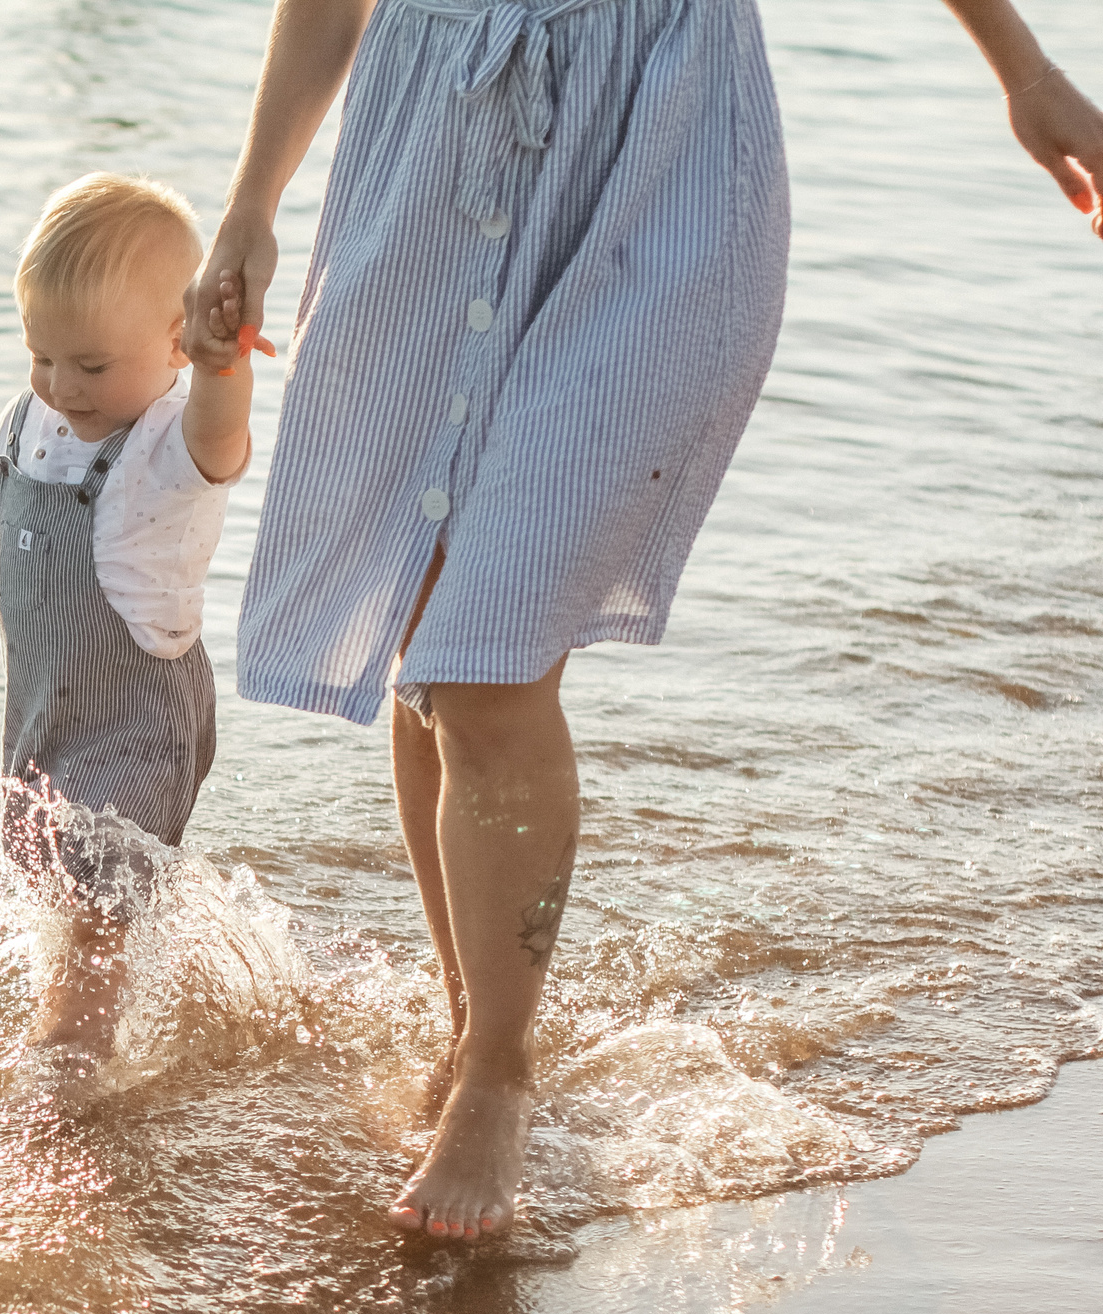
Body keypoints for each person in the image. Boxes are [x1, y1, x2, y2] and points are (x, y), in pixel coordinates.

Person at [184, 0, 1103, 1241]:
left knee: (488, 664)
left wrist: (1025, 69)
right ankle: (477, 1026)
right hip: (428, 139)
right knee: (433, 640)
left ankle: (500, 1076)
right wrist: (251, 201)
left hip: (657, 158)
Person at [0, 174, 268, 1065]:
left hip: (138, 718)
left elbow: (225, 439)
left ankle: (71, 1051)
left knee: (100, 903)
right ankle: (144, 1007)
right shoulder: (32, 419)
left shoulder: (168, 444)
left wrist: (228, 364)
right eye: (42, 355)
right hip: (44, 707)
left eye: (93, 366)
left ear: (175, 342)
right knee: (59, 881)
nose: (62, 385)